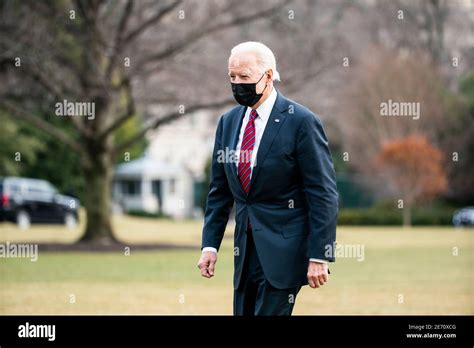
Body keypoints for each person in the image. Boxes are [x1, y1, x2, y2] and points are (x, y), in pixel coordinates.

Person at [197, 41, 338, 316]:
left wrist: (320, 254)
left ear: (269, 76)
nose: (237, 84)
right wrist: (210, 245)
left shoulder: (301, 122)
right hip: (244, 252)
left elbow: (323, 193)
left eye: (245, 77)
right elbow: (219, 191)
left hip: (285, 252)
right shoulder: (228, 122)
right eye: (232, 77)